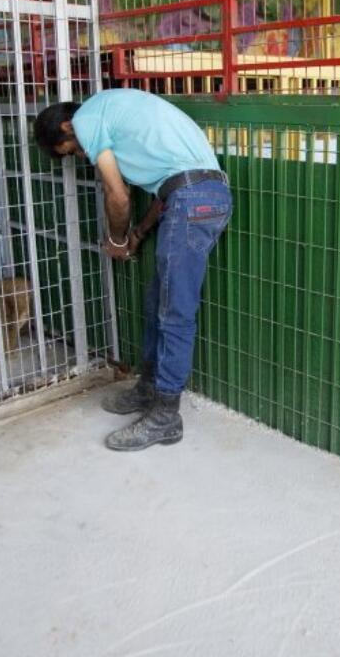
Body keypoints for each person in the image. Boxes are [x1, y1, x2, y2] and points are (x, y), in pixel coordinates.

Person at [33, 89, 231, 451]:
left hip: (193, 200)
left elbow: (118, 195)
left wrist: (118, 239)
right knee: (160, 302)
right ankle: (149, 388)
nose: (83, 156)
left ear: (67, 126)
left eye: (74, 151)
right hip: (194, 195)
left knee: (175, 313)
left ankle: (166, 416)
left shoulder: (86, 119)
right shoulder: (113, 111)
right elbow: (169, 188)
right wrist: (139, 233)